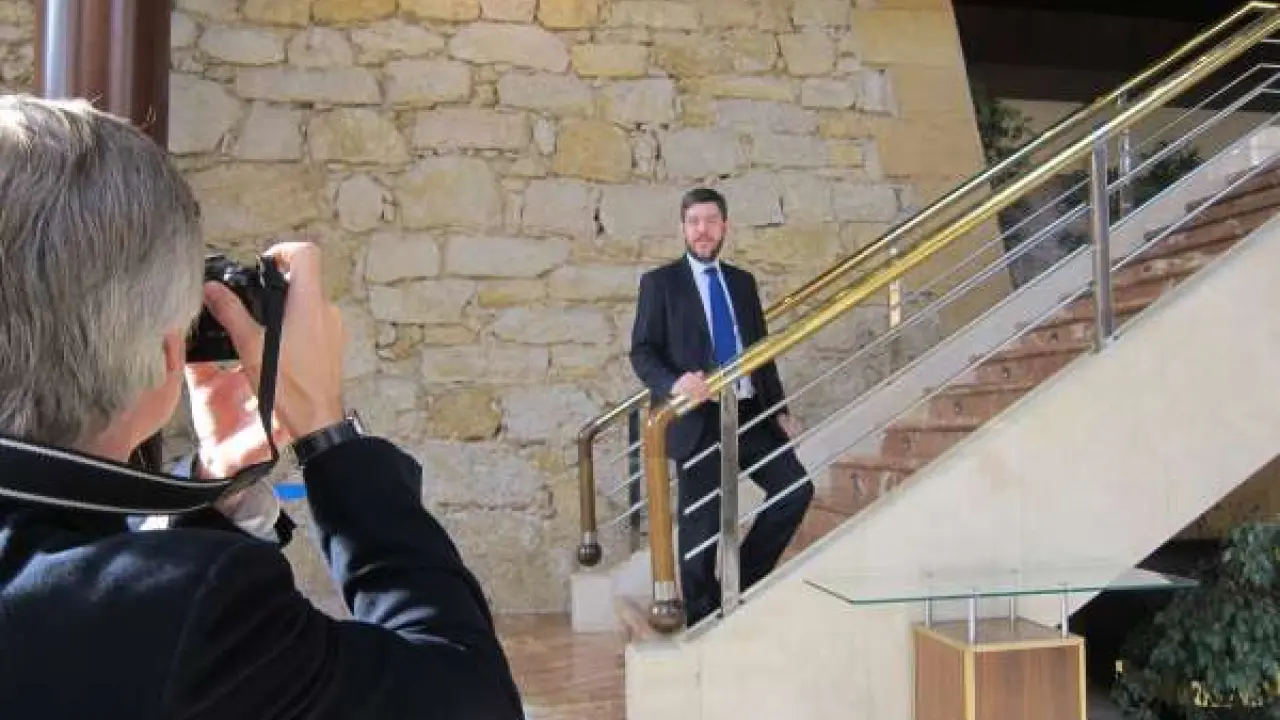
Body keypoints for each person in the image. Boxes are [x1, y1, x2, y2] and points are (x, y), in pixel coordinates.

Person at [0, 95, 524, 718]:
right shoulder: (196, 611)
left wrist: (212, 489)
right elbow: (471, 699)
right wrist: (327, 431)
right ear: (170, 353)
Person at [629, 187, 814, 627]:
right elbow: (642, 351)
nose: (703, 230)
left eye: (711, 221)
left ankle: (739, 584)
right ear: (682, 228)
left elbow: (762, 352)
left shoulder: (742, 283)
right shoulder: (660, 283)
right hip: (697, 417)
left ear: (725, 226)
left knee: (794, 489)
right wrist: (675, 383)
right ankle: (702, 613)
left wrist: (779, 409)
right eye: (694, 222)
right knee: (701, 523)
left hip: (749, 412)